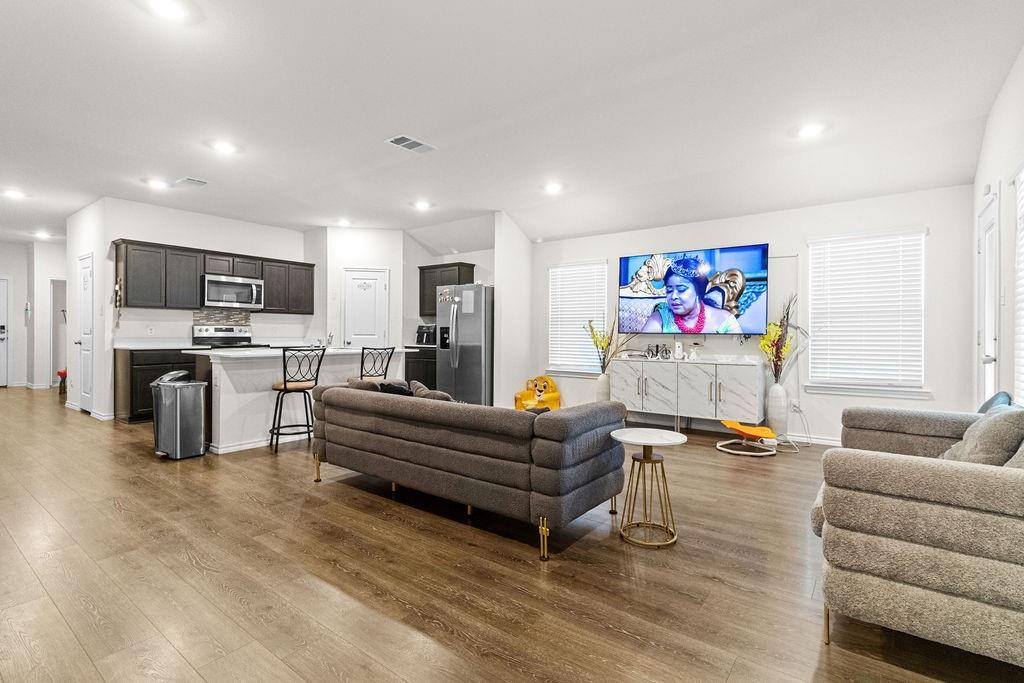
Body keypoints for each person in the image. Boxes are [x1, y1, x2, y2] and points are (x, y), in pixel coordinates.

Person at [641, 256, 742, 334]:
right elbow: (642, 347)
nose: (673, 296)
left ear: (698, 291)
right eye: (669, 290)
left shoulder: (724, 320)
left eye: (681, 290)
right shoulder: (661, 317)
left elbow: (740, 353)